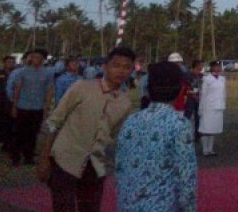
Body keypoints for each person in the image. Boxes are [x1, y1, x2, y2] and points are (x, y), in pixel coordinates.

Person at [37, 47, 135, 212]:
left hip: (95, 165)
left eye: (127, 67)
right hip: (65, 159)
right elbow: (55, 121)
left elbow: (113, 135)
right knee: (63, 207)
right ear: (105, 67)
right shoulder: (82, 87)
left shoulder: (125, 103)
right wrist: (44, 158)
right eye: (116, 65)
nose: (121, 71)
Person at [116, 61, 197, 212]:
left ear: (148, 90)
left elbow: (120, 167)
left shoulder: (131, 121)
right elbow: (186, 176)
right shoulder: (179, 124)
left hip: (127, 204)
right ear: (180, 90)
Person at [10, 48, 55, 166]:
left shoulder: (48, 73)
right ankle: (16, 157)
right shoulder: (22, 72)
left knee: (33, 134)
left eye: (39, 57)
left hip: (37, 108)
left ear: (43, 59)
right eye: (34, 57)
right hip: (22, 107)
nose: (36, 59)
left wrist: (47, 106)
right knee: (19, 133)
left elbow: (50, 90)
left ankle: (28, 157)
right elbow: (17, 89)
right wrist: (14, 106)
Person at [198, 60, 226, 156]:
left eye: (219, 66)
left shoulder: (222, 79)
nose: (218, 68)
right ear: (211, 68)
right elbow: (203, 94)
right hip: (208, 106)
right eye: (215, 66)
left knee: (214, 128)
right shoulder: (207, 79)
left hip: (219, 105)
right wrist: (201, 107)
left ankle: (211, 149)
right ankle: (205, 149)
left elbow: (223, 93)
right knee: (206, 128)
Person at [184, 60, 203, 139]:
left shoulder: (201, 76)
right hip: (190, 98)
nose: (202, 66)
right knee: (188, 115)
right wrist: (194, 95)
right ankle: (185, 132)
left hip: (199, 98)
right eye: (200, 65)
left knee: (198, 116)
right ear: (196, 66)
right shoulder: (188, 75)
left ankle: (197, 134)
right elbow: (186, 87)